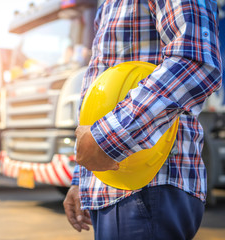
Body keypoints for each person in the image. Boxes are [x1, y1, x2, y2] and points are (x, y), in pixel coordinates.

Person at [63, 1, 222, 239]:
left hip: (148, 183)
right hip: (117, 182)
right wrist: (82, 178)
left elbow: (194, 62)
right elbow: (100, 87)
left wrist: (105, 140)